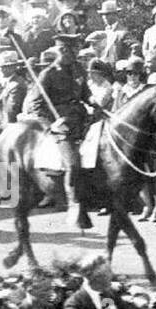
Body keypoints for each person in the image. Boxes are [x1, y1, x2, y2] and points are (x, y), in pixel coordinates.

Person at [24, 37, 93, 228]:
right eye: (68, 51)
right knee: (72, 163)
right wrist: (52, 125)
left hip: (82, 119)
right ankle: (74, 204)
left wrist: (92, 100)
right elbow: (35, 105)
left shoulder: (78, 69)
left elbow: (84, 92)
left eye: (74, 51)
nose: (73, 55)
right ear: (61, 51)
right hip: (62, 125)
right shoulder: (48, 74)